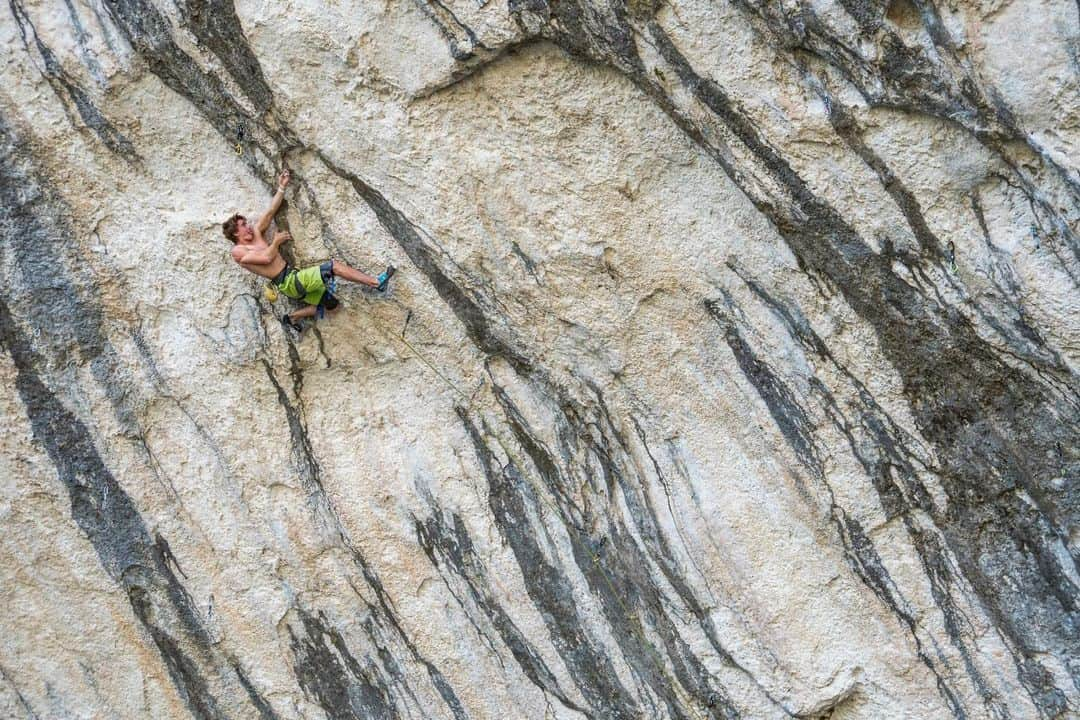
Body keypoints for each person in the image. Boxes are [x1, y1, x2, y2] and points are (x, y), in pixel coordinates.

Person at [222, 168, 395, 334]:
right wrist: (275, 242)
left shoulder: (257, 233)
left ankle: (291, 318)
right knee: (333, 267)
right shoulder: (239, 251)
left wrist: (282, 186)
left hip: (292, 281)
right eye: (244, 225)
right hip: (289, 281)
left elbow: (270, 212)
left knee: (332, 305)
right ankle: (376, 283)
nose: (249, 226)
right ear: (236, 232)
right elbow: (266, 258)